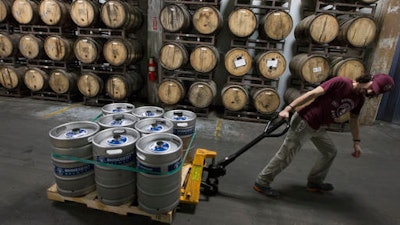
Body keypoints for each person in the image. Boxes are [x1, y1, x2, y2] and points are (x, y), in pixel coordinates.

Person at [253, 73, 395, 197]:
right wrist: (288, 109)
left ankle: (314, 182)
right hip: (305, 120)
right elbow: (312, 94)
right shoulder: (341, 82)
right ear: (368, 78)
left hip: (319, 127)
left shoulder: (359, 99)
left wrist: (356, 142)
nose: (369, 91)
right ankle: (262, 182)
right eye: (371, 86)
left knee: (330, 152)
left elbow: (354, 119)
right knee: (287, 154)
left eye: (373, 91)